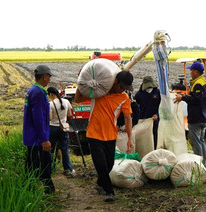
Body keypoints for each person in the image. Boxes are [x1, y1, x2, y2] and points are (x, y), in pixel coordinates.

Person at [75, 70, 134, 202]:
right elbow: (77, 99)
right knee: (100, 164)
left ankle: (100, 183)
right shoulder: (98, 92)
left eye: (125, 88)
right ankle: (109, 192)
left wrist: (130, 138)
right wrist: (81, 82)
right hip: (94, 134)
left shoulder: (123, 97)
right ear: (115, 81)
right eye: (121, 86)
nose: (122, 90)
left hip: (111, 135)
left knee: (109, 164)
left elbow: (128, 118)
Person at [23, 65, 56, 194]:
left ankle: (32, 190)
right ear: (45, 77)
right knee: (43, 164)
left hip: (31, 136)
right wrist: (44, 139)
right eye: (49, 77)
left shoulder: (32, 90)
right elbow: (38, 118)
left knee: (33, 165)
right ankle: (47, 189)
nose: (49, 79)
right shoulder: (39, 93)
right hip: (37, 138)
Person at [174, 61, 206, 164]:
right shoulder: (204, 82)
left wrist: (183, 97)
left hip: (196, 117)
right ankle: (203, 163)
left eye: (192, 70)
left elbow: (196, 100)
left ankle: (198, 165)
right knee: (201, 141)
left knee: (195, 142)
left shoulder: (198, 84)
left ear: (196, 72)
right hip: (204, 116)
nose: (190, 72)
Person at [47, 87, 75, 177]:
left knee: (51, 150)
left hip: (52, 128)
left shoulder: (50, 104)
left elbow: (50, 118)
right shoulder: (66, 102)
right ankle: (68, 169)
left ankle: (50, 168)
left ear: (51, 94)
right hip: (63, 128)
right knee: (64, 149)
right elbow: (69, 114)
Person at [134, 76, 161, 149]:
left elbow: (161, 107)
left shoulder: (157, 92)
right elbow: (135, 109)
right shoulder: (138, 94)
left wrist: (157, 115)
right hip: (143, 121)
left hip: (154, 120)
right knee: (144, 139)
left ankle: (154, 150)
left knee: (154, 137)